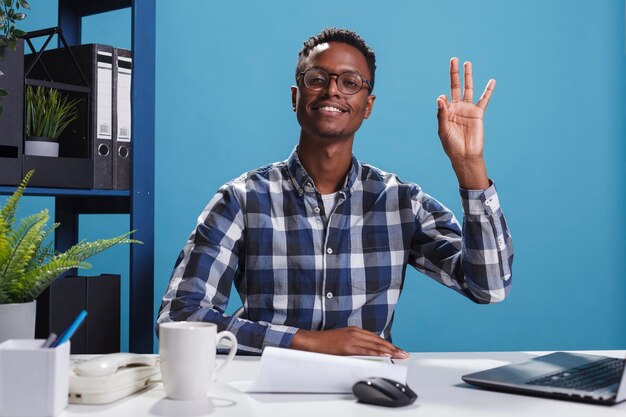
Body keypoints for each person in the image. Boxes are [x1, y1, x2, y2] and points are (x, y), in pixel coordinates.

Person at [157, 28, 513, 359]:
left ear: (368, 106)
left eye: (349, 82)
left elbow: (489, 287)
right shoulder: (241, 199)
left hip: (366, 394)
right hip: (263, 393)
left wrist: (470, 165)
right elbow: (179, 316)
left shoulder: (401, 202)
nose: (332, 91)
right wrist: (306, 342)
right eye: (317, 79)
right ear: (296, 96)